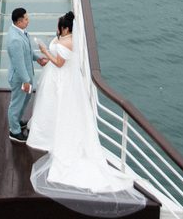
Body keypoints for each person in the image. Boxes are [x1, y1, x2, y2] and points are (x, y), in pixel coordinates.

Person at [26, 11, 146, 215]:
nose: (56, 29)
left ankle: (54, 136)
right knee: (49, 109)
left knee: (61, 111)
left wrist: (45, 51)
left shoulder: (69, 43)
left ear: (65, 28)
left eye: (58, 26)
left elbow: (59, 63)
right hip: (54, 81)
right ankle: (45, 131)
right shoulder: (63, 38)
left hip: (62, 81)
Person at [5, 7, 46, 142]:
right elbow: (19, 63)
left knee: (26, 99)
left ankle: (17, 120)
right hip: (20, 78)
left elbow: (27, 51)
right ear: (18, 22)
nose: (28, 21)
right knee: (16, 104)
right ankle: (14, 131)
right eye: (26, 19)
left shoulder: (20, 31)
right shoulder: (15, 40)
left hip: (25, 76)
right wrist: (26, 81)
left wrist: (37, 58)